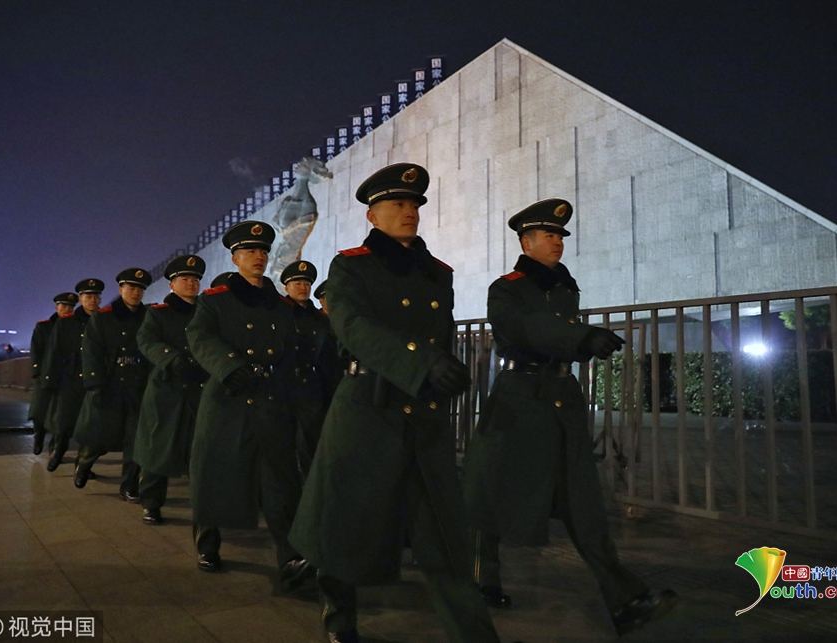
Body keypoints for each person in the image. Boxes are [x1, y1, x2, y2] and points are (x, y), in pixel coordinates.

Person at [289, 163, 520, 643]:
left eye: (414, 204)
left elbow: (439, 335)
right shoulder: (351, 266)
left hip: (423, 417)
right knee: (347, 523)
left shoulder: (437, 273)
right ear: (372, 216)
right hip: (367, 409)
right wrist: (422, 362)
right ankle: (339, 614)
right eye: (397, 203)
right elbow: (353, 328)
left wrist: (445, 371)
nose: (409, 211)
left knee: (445, 536)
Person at [463, 198, 678, 637]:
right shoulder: (506, 288)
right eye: (548, 235)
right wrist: (581, 336)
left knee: (584, 502)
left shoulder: (565, 287)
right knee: (489, 492)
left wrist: (579, 343)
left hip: (561, 399)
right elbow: (523, 328)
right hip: (519, 400)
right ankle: (480, 579)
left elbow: (556, 337)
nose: (557, 242)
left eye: (560, 235)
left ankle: (624, 599)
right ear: (526, 242)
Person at [186, 221, 313, 591]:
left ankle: (290, 557)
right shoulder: (215, 299)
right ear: (235, 258)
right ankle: (207, 545)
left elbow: (291, 349)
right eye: (249, 251)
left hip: (271, 400)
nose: (258, 257)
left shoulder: (280, 304)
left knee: (280, 482)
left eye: (262, 251)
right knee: (214, 476)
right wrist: (231, 367)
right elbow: (199, 337)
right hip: (228, 401)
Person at [133, 255, 209, 525]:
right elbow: (146, 340)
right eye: (185, 279)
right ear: (172, 285)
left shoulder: (207, 311)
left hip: (200, 387)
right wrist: (171, 358)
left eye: (195, 279)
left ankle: (205, 505)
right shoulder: (158, 313)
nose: (191, 283)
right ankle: (151, 502)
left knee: (200, 450)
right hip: (167, 389)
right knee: (158, 449)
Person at [72, 268, 152, 500]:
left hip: (137, 385)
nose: (136, 293)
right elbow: (91, 351)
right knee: (100, 435)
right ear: (121, 289)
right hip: (110, 384)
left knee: (135, 438)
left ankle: (128, 485)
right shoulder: (103, 317)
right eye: (131, 287)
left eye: (140, 289)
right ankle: (84, 464)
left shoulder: (148, 316)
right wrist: (95, 384)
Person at [279, 261, 340, 478]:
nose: (302, 287)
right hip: (285, 387)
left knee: (313, 442)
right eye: (297, 283)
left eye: (306, 283)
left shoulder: (320, 319)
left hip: (315, 388)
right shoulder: (280, 314)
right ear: (286, 287)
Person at [43, 279, 104, 472]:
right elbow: (54, 352)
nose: (92, 300)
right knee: (64, 420)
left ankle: (83, 464)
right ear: (80, 299)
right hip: (69, 378)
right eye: (88, 296)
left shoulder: (104, 321)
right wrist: (49, 380)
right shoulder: (66, 322)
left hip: (94, 379)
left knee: (90, 424)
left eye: (96, 296)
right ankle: (58, 451)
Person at [29, 292, 77, 455]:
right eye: (64, 306)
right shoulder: (44, 327)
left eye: (71, 307)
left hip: (66, 376)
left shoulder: (75, 326)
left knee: (62, 414)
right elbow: (36, 351)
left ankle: (56, 447)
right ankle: (39, 436)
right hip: (45, 374)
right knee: (39, 410)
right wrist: (38, 372)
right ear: (57, 307)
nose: (67, 309)